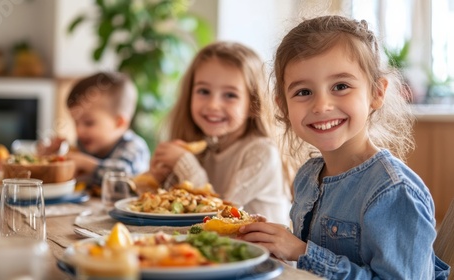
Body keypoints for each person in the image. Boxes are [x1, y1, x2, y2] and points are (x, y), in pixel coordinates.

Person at [237, 15, 450, 279]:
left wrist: (302, 251)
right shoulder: (307, 176)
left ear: (376, 93)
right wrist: (276, 244)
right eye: (304, 92)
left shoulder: (394, 192)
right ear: (283, 106)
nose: (321, 105)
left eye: (340, 86)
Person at [149, 41, 292, 225]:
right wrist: (160, 180)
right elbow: (178, 210)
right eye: (204, 91)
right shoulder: (206, 146)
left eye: (230, 95)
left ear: (252, 104)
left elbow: (220, 215)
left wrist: (185, 164)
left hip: (263, 252)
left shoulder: (261, 152)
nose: (213, 105)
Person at [44, 72, 150, 192]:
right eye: (76, 123)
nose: (79, 130)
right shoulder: (83, 145)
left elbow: (127, 181)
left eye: (89, 123)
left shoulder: (134, 147)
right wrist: (51, 160)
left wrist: (86, 164)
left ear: (119, 123)